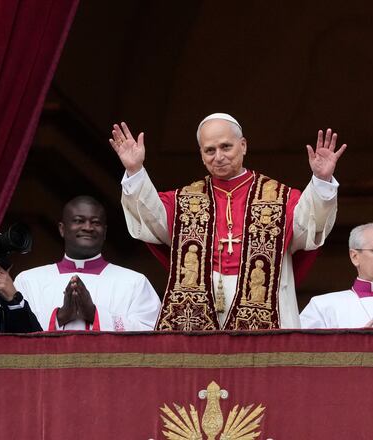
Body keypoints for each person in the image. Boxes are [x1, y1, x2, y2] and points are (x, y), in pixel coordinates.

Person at [110, 113, 346, 330]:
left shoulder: (281, 198)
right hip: (200, 302)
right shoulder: (184, 200)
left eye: (226, 147)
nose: (219, 157)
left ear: (243, 146)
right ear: (201, 155)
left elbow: (309, 226)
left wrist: (321, 180)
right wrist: (135, 170)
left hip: (265, 302)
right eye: (209, 150)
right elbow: (152, 219)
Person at [14, 196, 160, 331]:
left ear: (105, 231)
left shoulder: (135, 282)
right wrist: (60, 316)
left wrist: (94, 314)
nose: (88, 227)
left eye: (96, 222)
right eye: (79, 220)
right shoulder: (28, 281)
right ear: (62, 229)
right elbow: (13, 331)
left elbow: (151, 334)